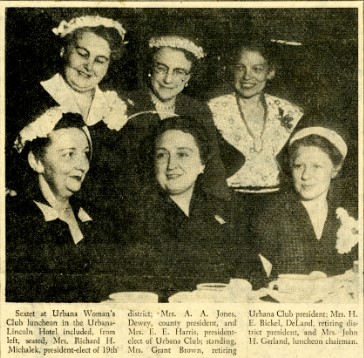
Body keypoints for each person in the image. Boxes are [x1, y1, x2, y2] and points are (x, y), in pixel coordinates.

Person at [119, 117, 265, 302]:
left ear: (202, 163)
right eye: (162, 155)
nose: (171, 165)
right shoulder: (134, 219)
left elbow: (255, 276)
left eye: (183, 154)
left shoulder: (227, 211)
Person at [6, 15, 130, 207]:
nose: (89, 66)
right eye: (82, 53)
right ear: (64, 51)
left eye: (100, 60)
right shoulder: (27, 100)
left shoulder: (114, 109)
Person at [6, 108, 114, 302]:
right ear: (37, 161)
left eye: (85, 153)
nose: (83, 164)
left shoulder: (89, 214)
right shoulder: (17, 224)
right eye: (69, 154)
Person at [120, 34, 239, 201]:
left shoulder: (197, 110)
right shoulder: (123, 104)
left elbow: (213, 169)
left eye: (179, 72)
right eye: (161, 68)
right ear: (150, 69)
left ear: (188, 77)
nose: (168, 79)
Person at [251, 127, 358, 279]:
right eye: (298, 166)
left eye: (317, 166)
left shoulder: (347, 216)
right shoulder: (272, 216)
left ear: (335, 169)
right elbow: (257, 282)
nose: (306, 175)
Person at [208, 39, 304, 197]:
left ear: (270, 72)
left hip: (277, 201)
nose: (247, 76)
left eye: (257, 69)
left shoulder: (287, 111)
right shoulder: (213, 109)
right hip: (229, 201)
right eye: (240, 68)